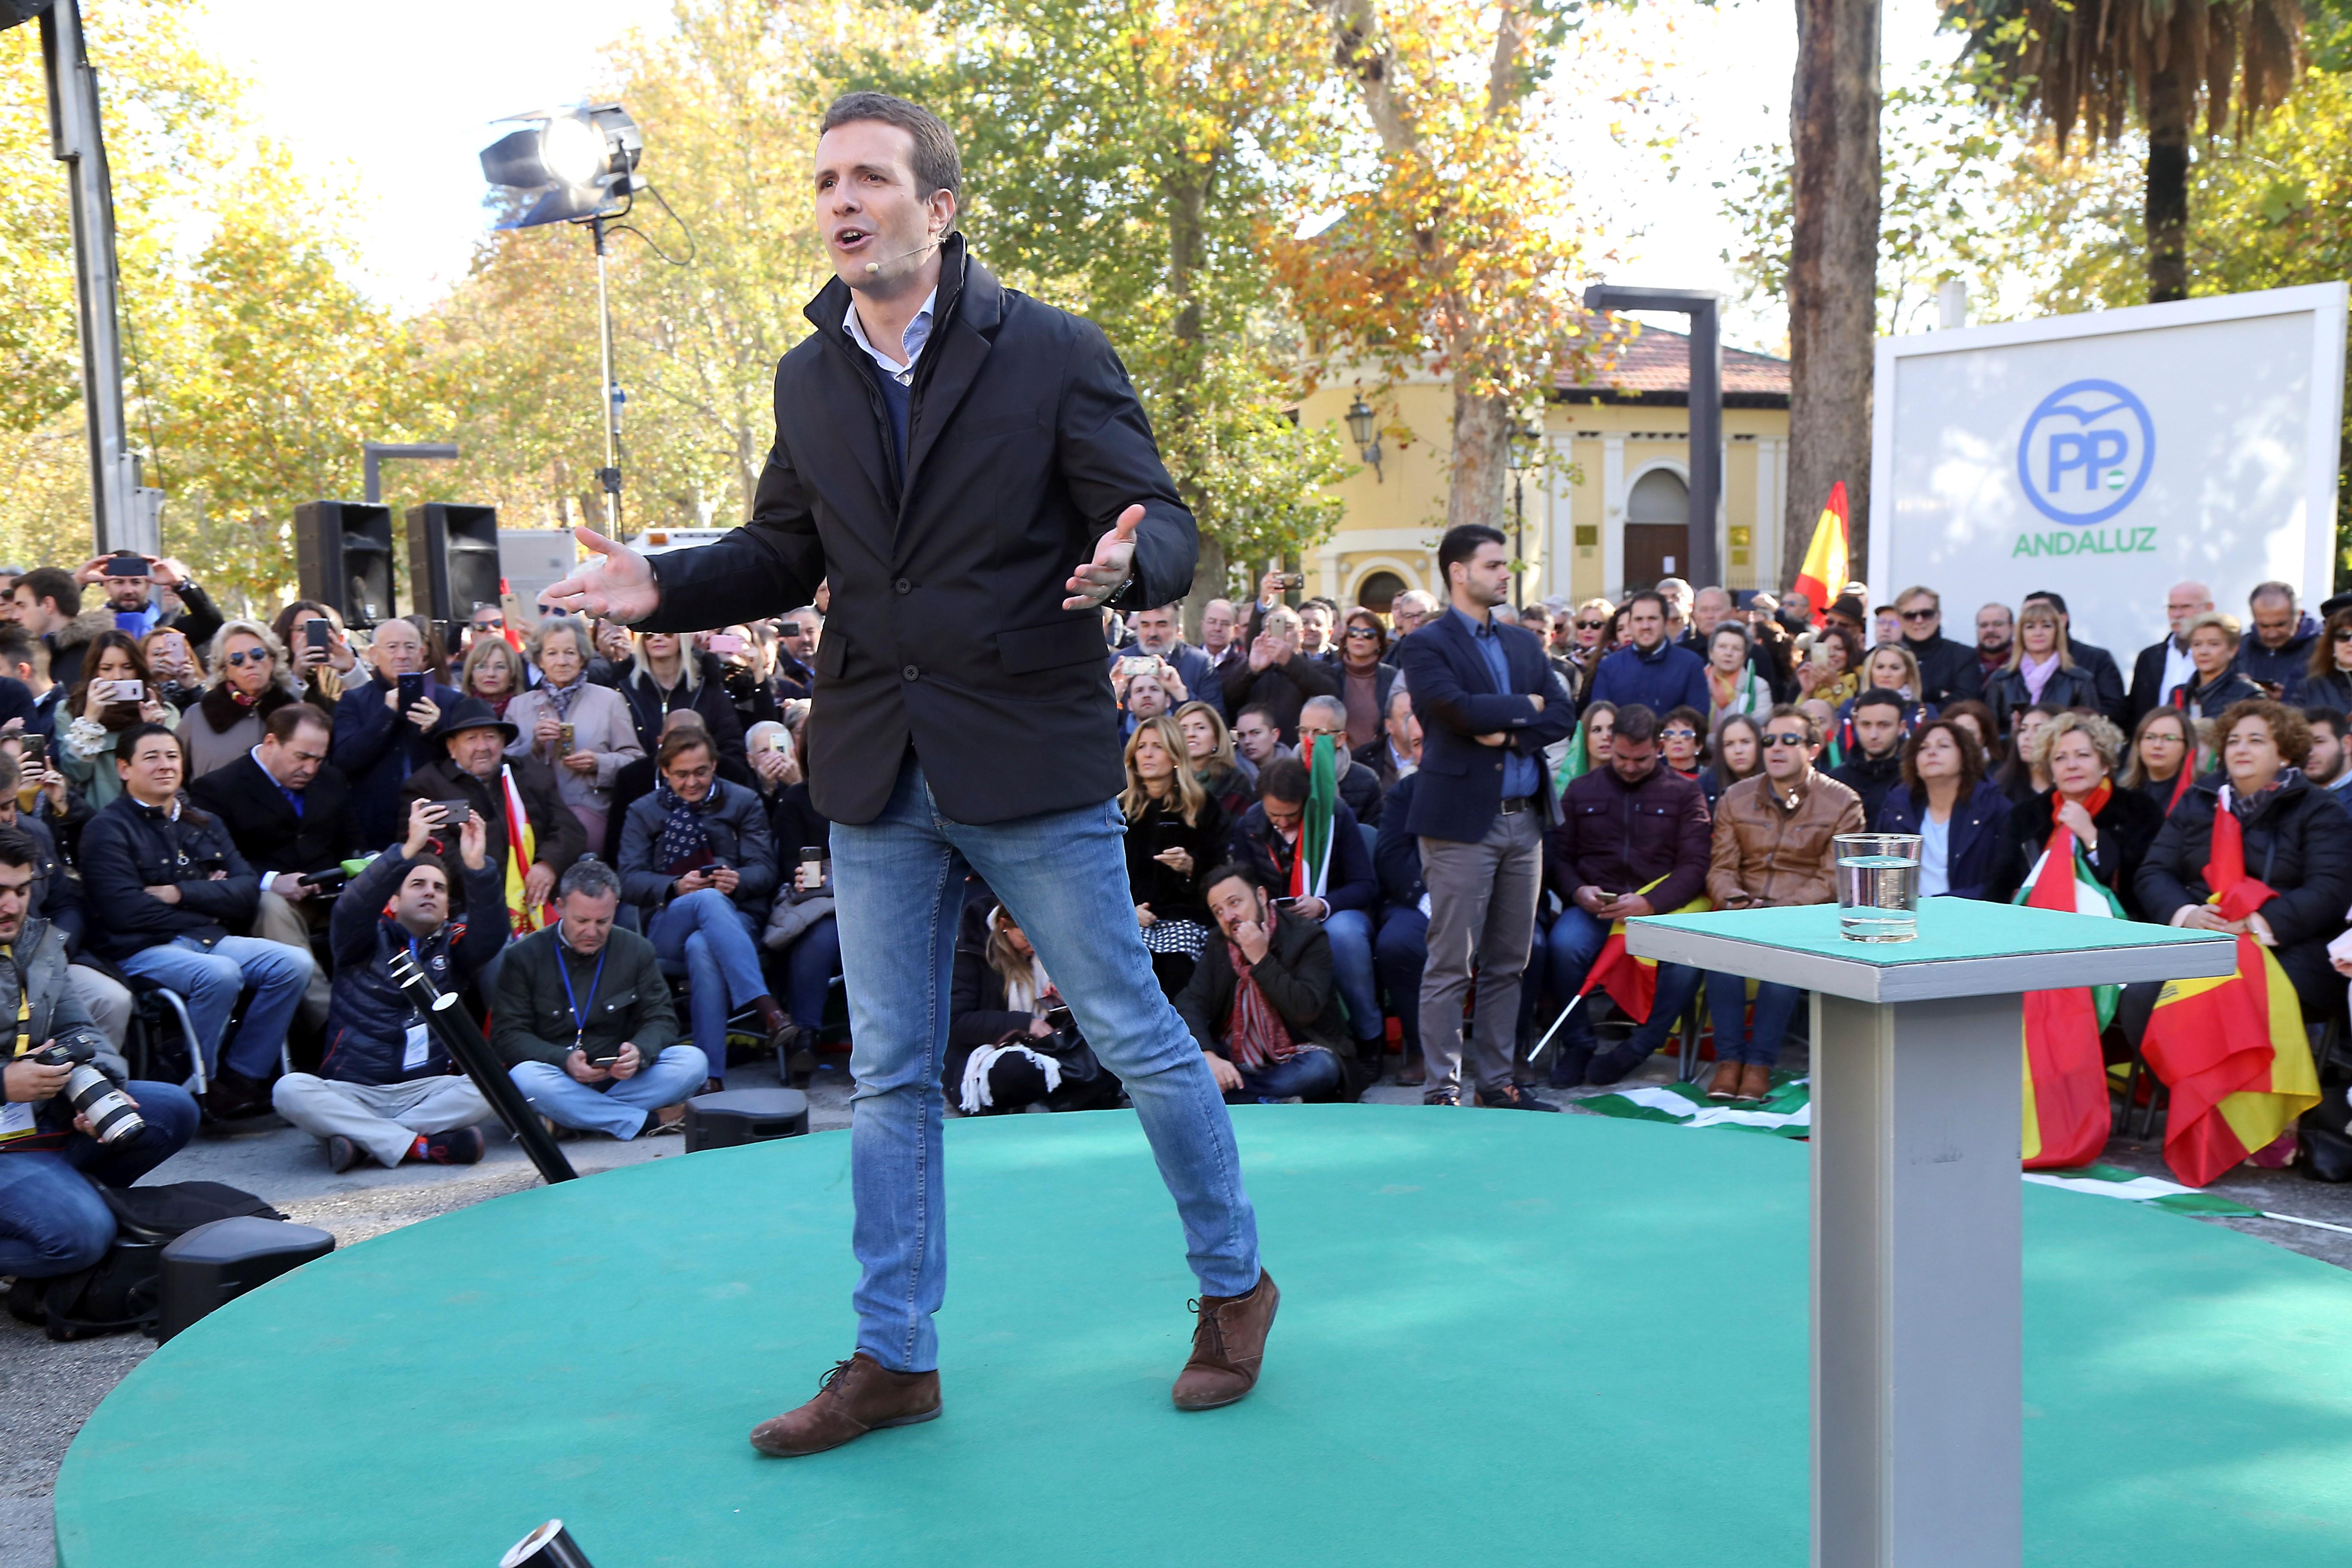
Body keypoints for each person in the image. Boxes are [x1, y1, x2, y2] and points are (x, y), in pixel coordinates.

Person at [538, 92, 1271, 1441]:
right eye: (825, 181)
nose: (841, 200)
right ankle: (895, 1356)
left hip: (1030, 760)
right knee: (885, 1074)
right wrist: (663, 584)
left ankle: (1234, 1285)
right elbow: (780, 555)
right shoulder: (808, 375)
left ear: (938, 209)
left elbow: (1159, 518)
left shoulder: (1052, 350)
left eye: (870, 177)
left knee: (1132, 1033)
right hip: (877, 767)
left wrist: (1129, 567)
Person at [1392, 525, 1576, 1109]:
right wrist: (1527, 710)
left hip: (1526, 824)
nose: (1506, 574)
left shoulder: (1525, 644)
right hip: (1460, 826)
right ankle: (1441, 1090)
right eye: (1495, 565)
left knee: (1510, 963)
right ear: (1459, 572)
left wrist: (1502, 726)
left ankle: (1497, 1085)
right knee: (1451, 963)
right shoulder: (1426, 644)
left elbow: (1565, 715)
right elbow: (1453, 709)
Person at [79, 724, 314, 1120]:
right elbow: (125, 911)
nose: (165, 765)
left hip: (208, 939)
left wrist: (181, 893)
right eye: (151, 757)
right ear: (124, 769)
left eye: (172, 756)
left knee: (293, 964)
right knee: (219, 974)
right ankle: (195, 1081)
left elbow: (246, 891)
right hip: (141, 949)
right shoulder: (106, 829)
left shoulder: (204, 822)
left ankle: (242, 1076)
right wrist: (212, 902)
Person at [0, 826, 199, 1282]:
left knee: (172, 1110)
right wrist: (5, 1082)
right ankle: (55, 1212)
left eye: (20, 890)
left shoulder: (37, 939)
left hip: (35, 1122)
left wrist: (95, 1090)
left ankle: (52, 1199)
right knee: (83, 1239)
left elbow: (80, 1030)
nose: (11, 905)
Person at [272, 799, 506, 1170]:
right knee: (289, 1091)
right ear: (393, 901)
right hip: (354, 1091)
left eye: (439, 888)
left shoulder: (455, 944)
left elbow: (492, 935)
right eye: (418, 884)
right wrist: (408, 850)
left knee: (493, 1087)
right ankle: (420, 1146)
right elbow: (352, 906)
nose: (430, 892)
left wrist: (477, 866)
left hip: (426, 1091)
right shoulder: (360, 940)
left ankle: (367, 1142)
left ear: (448, 908)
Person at [2138, 700, 2352, 1024]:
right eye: (2234, 741)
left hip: (2287, 948)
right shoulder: (2199, 799)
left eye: (2256, 740)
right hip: (2202, 940)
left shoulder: (2319, 809)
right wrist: (2189, 915)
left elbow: (2331, 889)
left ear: (2284, 753)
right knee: (2140, 998)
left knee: (2218, 997)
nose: (2241, 749)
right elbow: (2153, 872)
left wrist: (2254, 924)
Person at [618, 726, 794, 1085]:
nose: (692, 782)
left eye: (701, 771)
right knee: (706, 899)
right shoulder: (643, 811)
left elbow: (766, 870)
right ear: (665, 772)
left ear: (714, 765)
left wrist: (739, 880)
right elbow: (629, 878)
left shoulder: (743, 801)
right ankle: (767, 1009)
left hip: (738, 917)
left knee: (703, 945)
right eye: (681, 774)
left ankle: (709, 1078)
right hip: (668, 921)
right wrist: (675, 886)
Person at [1543, 703, 1707, 1088]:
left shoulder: (1686, 793)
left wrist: (1652, 903)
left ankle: (1640, 1048)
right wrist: (1577, 891)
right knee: (1564, 947)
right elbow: (1559, 858)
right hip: (1594, 910)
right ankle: (1578, 1045)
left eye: (1641, 759)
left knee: (1686, 960)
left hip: (1660, 910)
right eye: (1621, 757)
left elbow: (1696, 865)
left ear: (1659, 748)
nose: (1630, 767)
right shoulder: (1582, 790)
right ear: (1609, 746)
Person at [1703, 705, 1862, 1102]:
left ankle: (1759, 1065)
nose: (1776, 748)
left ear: (1812, 748)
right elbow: (1720, 868)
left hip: (1802, 916)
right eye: (1769, 740)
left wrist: (1778, 911)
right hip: (1743, 910)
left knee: (1783, 958)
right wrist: (1735, 900)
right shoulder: (1735, 798)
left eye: (1789, 740)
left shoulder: (1842, 802)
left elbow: (1835, 879)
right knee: (1722, 950)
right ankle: (1729, 1062)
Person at [492, 858, 703, 1138]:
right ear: (559, 907)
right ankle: (647, 1122)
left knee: (693, 1062)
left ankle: (570, 1121)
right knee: (524, 1079)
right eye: (581, 921)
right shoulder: (523, 956)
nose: (592, 933)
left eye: (603, 922)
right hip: (559, 1077)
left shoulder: (637, 950)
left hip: (621, 1079)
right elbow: (508, 1036)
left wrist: (640, 1051)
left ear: (615, 908)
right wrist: (563, 1060)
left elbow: (661, 1018)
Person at [187, 701, 358, 1023]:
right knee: (270, 906)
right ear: (271, 743)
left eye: (318, 759)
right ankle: (334, 1026)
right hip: (264, 903)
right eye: (302, 757)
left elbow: (352, 842)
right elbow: (215, 865)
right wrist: (270, 880)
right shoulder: (218, 789)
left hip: (333, 894)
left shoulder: (331, 780)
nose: (310, 769)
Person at [1226, 756, 1382, 1070]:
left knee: (1344, 936)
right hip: (1274, 918)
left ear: (1306, 803)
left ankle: (1370, 1038)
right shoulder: (1250, 825)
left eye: (1291, 815)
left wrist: (1323, 904)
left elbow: (1365, 884)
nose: (1282, 823)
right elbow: (1242, 884)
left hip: (1335, 912)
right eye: (1274, 816)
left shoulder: (1335, 816)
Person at [399, 697, 587, 929]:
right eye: (471, 739)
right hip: (472, 908)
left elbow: (570, 828)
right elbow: (434, 850)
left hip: (542, 900)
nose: (483, 747)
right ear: (452, 747)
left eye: (490, 737)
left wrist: (547, 864)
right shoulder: (428, 786)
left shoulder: (529, 774)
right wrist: (489, 883)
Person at [1174, 862, 1350, 1103]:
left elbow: (1305, 1010)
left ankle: (1242, 1097)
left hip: (1296, 1052)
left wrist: (1261, 959)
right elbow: (1191, 1001)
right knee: (1179, 1064)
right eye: (1218, 911)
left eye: (1235, 903)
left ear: (1261, 896)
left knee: (1322, 1069)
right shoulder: (1219, 942)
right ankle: (1267, 1099)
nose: (1229, 917)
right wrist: (1208, 1056)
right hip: (1235, 1054)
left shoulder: (1307, 937)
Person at [944, 901, 1119, 1114]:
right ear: (1003, 926)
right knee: (1017, 1070)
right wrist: (1025, 1023)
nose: (1035, 947)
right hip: (983, 1052)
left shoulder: (1047, 953)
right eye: (1027, 939)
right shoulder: (968, 957)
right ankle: (1053, 1099)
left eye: (1040, 940)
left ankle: (1052, 1099)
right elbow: (955, 1022)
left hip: (1044, 1046)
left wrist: (1062, 1001)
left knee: (1107, 1045)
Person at [1997, 712, 2160, 917]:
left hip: (2116, 928)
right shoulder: (2026, 815)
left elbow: (2139, 882)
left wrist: (2091, 835)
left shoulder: (2139, 809)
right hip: (2034, 925)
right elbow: (2000, 882)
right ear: (2052, 772)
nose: (2072, 765)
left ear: (2105, 765)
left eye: (2083, 755)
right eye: (2060, 758)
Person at [502, 613, 643, 849]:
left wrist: (599, 763)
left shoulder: (610, 701)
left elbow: (635, 761)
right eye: (552, 653)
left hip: (591, 816)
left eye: (570, 652)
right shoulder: (519, 706)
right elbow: (504, 768)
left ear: (582, 657)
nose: (562, 661)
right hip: (536, 819)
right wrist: (534, 746)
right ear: (540, 660)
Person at [331, 616, 461, 848]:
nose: (402, 655)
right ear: (374, 655)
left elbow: (467, 761)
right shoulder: (354, 701)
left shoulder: (450, 701)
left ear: (422, 653)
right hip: (373, 828)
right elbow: (345, 760)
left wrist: (437, 729)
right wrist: (386, 714)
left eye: (410, 647)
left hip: (440, 823)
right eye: (392, 647)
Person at [1122, 715, 1226, 997]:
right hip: (1128, 917)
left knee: (1178, 971)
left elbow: (1222, 872)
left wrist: (1192, 866)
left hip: (1186, 918)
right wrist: (1127, 913)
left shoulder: (1204, 806)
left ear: (1176, 754)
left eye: (1157, 746)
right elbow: (1099, 875)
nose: (1147, 754)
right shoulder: (1119, 811)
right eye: (1142, 746)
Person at [1874, 718, 2012, 900]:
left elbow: (2002, 882)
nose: (1932, 752)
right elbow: (1879, 871)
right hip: (1907, 916)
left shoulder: (1993, 807)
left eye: (1944, 746)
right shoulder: (1897, 807)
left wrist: (1945, 903)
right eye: (1923, 748)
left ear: (1965, 756)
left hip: (1969, 915)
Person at [57, 631, 178, 812]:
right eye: (107, 668)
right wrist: (90, 720)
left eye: (127, 667)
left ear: (139, 669)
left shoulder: (164, 711)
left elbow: (171, 773)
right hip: (98, 818)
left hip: (155, 816)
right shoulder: (70, 711)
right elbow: (76, 773)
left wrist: (151, 731)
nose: (118, 676)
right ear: (94, 671)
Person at [181, 620, 298, 779]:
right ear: (225, 669)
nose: (249, 664)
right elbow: (172, 776)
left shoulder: (296, 715)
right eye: (237, 659)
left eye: (257, 655)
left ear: (272, 659)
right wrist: (188, 804)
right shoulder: (197, 717)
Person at [618, 629, 747, 767]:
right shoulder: (626, 689)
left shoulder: (708, 686)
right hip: (645, 782)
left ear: (682, 637)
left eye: (668, 633)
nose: (657, 638)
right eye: (649, 635)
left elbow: (730, 742)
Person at [1226, 603, 1340, 741]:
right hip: (1254, 754)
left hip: (1297, 752)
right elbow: (1226, 701)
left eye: (1288, 628)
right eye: (1272, 628)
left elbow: (1329, 693)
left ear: (1301, 635)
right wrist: (1252, 671)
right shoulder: (1251, 669)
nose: (1280, 634)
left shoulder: (1319, 668)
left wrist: (1290, 661)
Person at [1984, 600, 2098, 734]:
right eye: (2030, 627)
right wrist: (2014, 735)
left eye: (2046, 626)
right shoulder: (2001, 679)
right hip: (2013, 753)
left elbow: (2090, 732)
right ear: (2021, 633)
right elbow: (1991, 735)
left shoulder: (2080, 680)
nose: (2038, 633)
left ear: (2057, 632)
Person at [1588, 590, 1708, 716]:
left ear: (1666, 622)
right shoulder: (1608, 667)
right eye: (1639, 619)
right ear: (1630, 624)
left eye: (1652, 619)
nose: (1645, 626)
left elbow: (1698, 719)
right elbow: (1600, 720)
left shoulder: (1690, 665)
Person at [2020, 591, 2128, 726]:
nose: (2038, 631)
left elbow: (2114, 710)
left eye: (2044, 619)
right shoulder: (2007, 674)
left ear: (2063, 620)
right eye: (2029, 620)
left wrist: (2065, 720)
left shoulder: (2096, 660)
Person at [10, 567, 111, 692]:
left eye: (23, 606)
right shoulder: (37, 653)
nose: (15, 616)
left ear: (48, 604)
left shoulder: (100, 653)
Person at [2128, 581, 2215, 726]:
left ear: (2209, 609)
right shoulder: (2149, 657)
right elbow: (2135, 711)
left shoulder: (2222, 656)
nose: (2177, 614)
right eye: (2172, 608)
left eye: (2186, 607)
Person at [1124, 603, 1221, 720]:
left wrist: (1181, 693)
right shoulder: (1119, 662)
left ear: (1178, 630)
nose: (1152, 633)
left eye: (1162, 625)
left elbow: (1217, 723)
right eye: (1146, 625)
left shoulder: (1200, 664)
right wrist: (1113, 696)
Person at [1295, 696, 1383, 825]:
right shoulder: (1278, 776)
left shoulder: (1367, 782)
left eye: (1320, 733)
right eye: (1303, 731)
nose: (1310, 741)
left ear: (1341, 739)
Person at [1893, 585, 1985, 708]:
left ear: (1939, 616)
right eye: (1910, 615)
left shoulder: (1964, 656)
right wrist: (1936, 693)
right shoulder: (1885, 657)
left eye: (1926, 614)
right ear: (1900, 620)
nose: (1919, 620)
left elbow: (1966, 705)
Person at [1829, 688, 1911, 824]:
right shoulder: (1836, 782)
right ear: (1856, 724)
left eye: (1884, 725)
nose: (1874, 735)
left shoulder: (1916, 779)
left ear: (1901, 728)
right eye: (1866, 725)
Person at [2171, 611, 2266, 721]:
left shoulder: (2248, 695)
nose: (2203, 651)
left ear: (2233, 650)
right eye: (2197, 644)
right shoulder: (2178, 693)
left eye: (2214, 644)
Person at [1174, 700, 1252, 822]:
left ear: (1217, 738)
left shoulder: (1235, 780)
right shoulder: (1168, 780)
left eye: (1200, 728)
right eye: (1183, 729)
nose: (1191, 734)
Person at [1332, 608, 1398, 750]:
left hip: (1379, 759)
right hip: (1339, 758)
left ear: (1379, 643)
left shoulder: (1391, 677)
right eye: (1353, 633)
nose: (1359, 638)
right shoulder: (1331, 674)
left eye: (1368, 634)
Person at [2237, 581, 2317, 695]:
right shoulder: (2240, 648)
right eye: (2264, 626)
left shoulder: (2322, 649)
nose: (2272, 634)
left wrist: (2287, 700)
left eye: (2280, 625)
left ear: (2299, 615)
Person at [2121, 706, 2200, 818]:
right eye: (2150, 737)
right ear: (2138, 745)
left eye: (2169, 738)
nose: (2157, 745)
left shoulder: (2200, 797)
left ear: (2186, 748)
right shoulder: (2122, 793)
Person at [1702, 620, 1770, 727]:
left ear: (1744, 656)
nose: (1729, 653)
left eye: (1737, 649)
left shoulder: (1758, 686)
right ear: (1711, 653)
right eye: (1722, 647)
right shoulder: (1696, 681)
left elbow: (1757, 726)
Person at [2287, 606, 2352, 718]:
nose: (2350, 643)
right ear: (2331, 642)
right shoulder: (2309, 688)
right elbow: (2294, 730)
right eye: (2344, 635)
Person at [1355, 685, 1420, 796]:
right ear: (1390, 726)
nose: (1414, 722)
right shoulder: (1364, 759)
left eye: (1418, 715)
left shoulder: (1438, 755)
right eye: (1407, 717)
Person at [1698, 712, 1764, 811]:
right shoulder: (1703, 786)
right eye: (1729, 744)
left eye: (1746, 742)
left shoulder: (1776, 780)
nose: (1738, 751)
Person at [457, 633, 529, 722]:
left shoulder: (529, 711)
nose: (491, 674)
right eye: (482, 667)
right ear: (471, 675)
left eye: (500, 667)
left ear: (512, 675)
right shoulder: (458, 711)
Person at [1793, 622, 1860, 709]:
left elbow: (1850, 710)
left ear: (1849, 653)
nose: (1832, 654)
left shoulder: (1860, 679)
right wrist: (1807, 692)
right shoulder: (1807, 678)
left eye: (1839, 649)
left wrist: (1835, 684)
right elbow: (1796, 717)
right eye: (1826, 650)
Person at [1228, 703, 1288, 782]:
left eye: (1255, 733)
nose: (1247, 741)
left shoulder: (1298, 769)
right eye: (1242, 736)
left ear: (1274, 735)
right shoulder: (1229, 774)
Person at [2305, 707, 2352, 800]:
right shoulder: (2288, 799)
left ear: (2347, 745)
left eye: (2319, 742)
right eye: (2303, 743)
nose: (2309, 752)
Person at [1973, 601, 2014, 685]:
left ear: (2013, 628)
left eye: (1998, 624)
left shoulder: (2025, 661)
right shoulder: (1965, 663)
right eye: (1984, 625)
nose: (1990, 630)